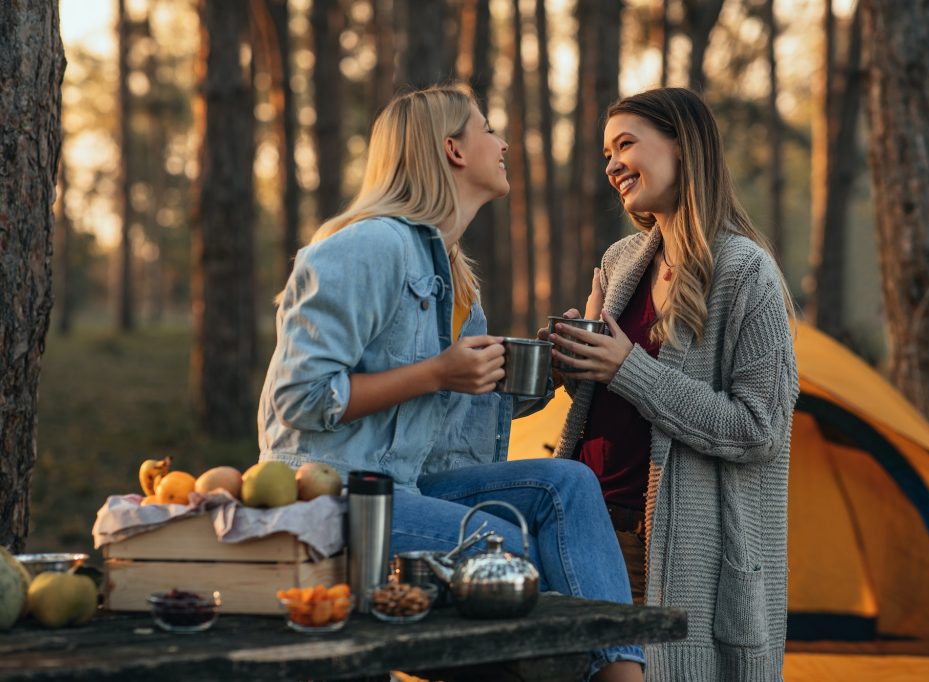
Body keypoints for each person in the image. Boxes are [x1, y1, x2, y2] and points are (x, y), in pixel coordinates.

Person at [257, 85, 643, 682]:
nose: (504, 142)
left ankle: (623, 676)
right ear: (453, 150)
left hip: (410, 485)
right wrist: (437, 371)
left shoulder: (452, 274)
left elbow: (453, 412)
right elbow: (300, 398)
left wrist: (549, 366)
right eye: (488, 129)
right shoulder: (366, 247)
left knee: (566, 483)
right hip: (333, 499)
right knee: (500, 549)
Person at [546, 87, 798, 681]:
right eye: (606, 153)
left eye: (625, 145)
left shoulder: (743, 273)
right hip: (584, 529)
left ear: (683, 147)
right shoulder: (620, 260)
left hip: (666, 550)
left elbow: (758, 427)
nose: (610, 165)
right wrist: (575, 363)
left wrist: (625, 367)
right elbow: (611, 393)